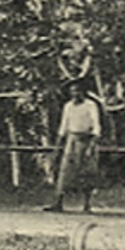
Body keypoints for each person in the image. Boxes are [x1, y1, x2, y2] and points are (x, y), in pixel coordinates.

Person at [47, 78, 103, 214]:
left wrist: (92, 145)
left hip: (86, 140)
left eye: (78, 91)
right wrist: (57, 147)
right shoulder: (68, 106)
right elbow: (63, 127)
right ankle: (58, 203)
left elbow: (96, 126)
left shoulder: (90, 105)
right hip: (71, 140)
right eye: (72, 91)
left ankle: (87, 205)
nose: (75, 94)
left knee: (87, 172)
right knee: (65, 171)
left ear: (83, 92)